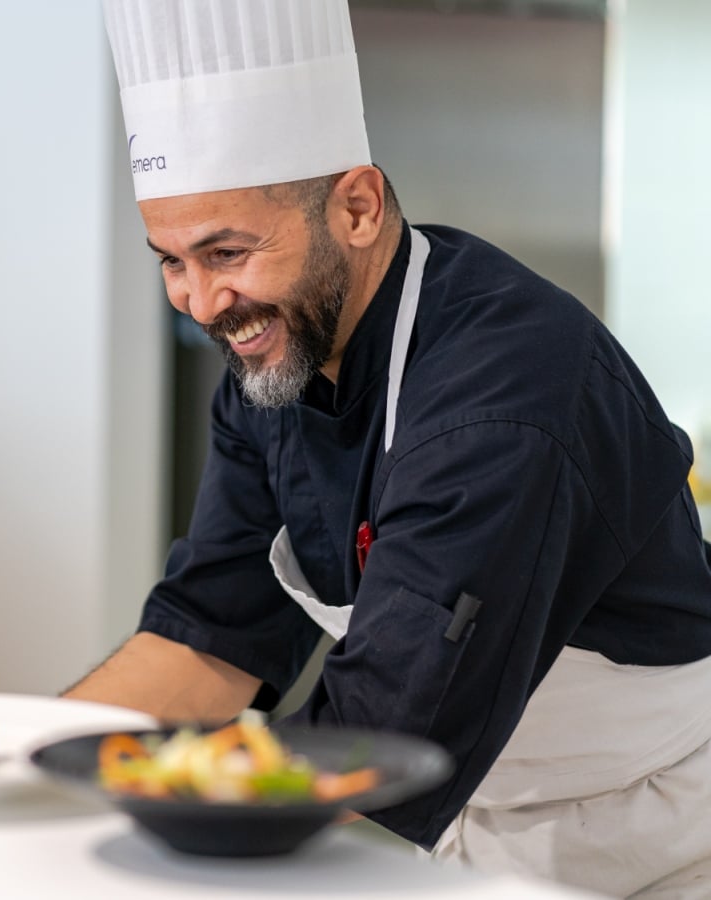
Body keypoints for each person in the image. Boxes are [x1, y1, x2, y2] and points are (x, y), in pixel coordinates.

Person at [66, 1, 711, 896]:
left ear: (358, 208)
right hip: (468, 818)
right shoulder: (275, 367)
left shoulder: (501, 401)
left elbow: (378, 732)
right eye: (172, 261)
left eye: (228, 253)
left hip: (658, 833)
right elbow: (209, 640)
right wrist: (13, 771)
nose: (203, 303)